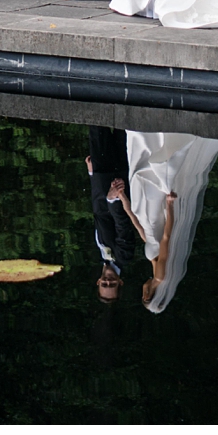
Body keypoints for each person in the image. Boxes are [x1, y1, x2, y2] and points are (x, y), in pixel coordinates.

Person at [114, 129, 218, 313]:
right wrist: (170, 205)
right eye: (143, 294)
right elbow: (167, 237)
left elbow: (144, 234)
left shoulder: (156, 270)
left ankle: (156, 135)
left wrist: (124, 202)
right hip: (153, 215)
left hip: (147, 218)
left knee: (144, 174)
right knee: (150, 175)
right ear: (147, 295)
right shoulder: (160, 276)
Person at [86, 125, 135, 302]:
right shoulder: (124, 256)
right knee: (123, 127)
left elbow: (98, 214)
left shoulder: (101, 255)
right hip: (117, 179)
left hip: (100, 177)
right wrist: (113, 199)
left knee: (97, 125)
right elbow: (122, 224)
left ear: (98, 282)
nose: (108, 281)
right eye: (111, 285)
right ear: (120, 282)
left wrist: (92, 175)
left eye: (104, 284)